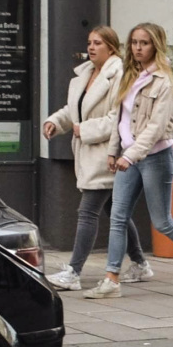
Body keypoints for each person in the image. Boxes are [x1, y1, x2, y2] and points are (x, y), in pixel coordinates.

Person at [95, 22, 173, 299]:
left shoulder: (164, 82)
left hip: (156, 158)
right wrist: (113, 151)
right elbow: (120, 118)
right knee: (118, 217)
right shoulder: (128, 76)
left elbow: (155, 128)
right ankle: (111, 279)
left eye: (144, 43)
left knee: (163, 222)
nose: (138, 48)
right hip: (128, 157)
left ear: (156, 45)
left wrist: (129, 156)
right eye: (134, 42)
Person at [39, 25, 127, 289]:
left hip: (106, 154)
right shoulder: (83, 76)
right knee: (116, 211)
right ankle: (140, 263)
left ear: (111, 47)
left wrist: (83, 130)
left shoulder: (119, 76)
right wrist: (56, 122)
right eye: (89, 42)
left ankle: (73, 273)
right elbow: (73, 110)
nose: (91, 47)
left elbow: (117, 119)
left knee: (87, 211)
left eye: (98, 43)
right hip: (87, 152)